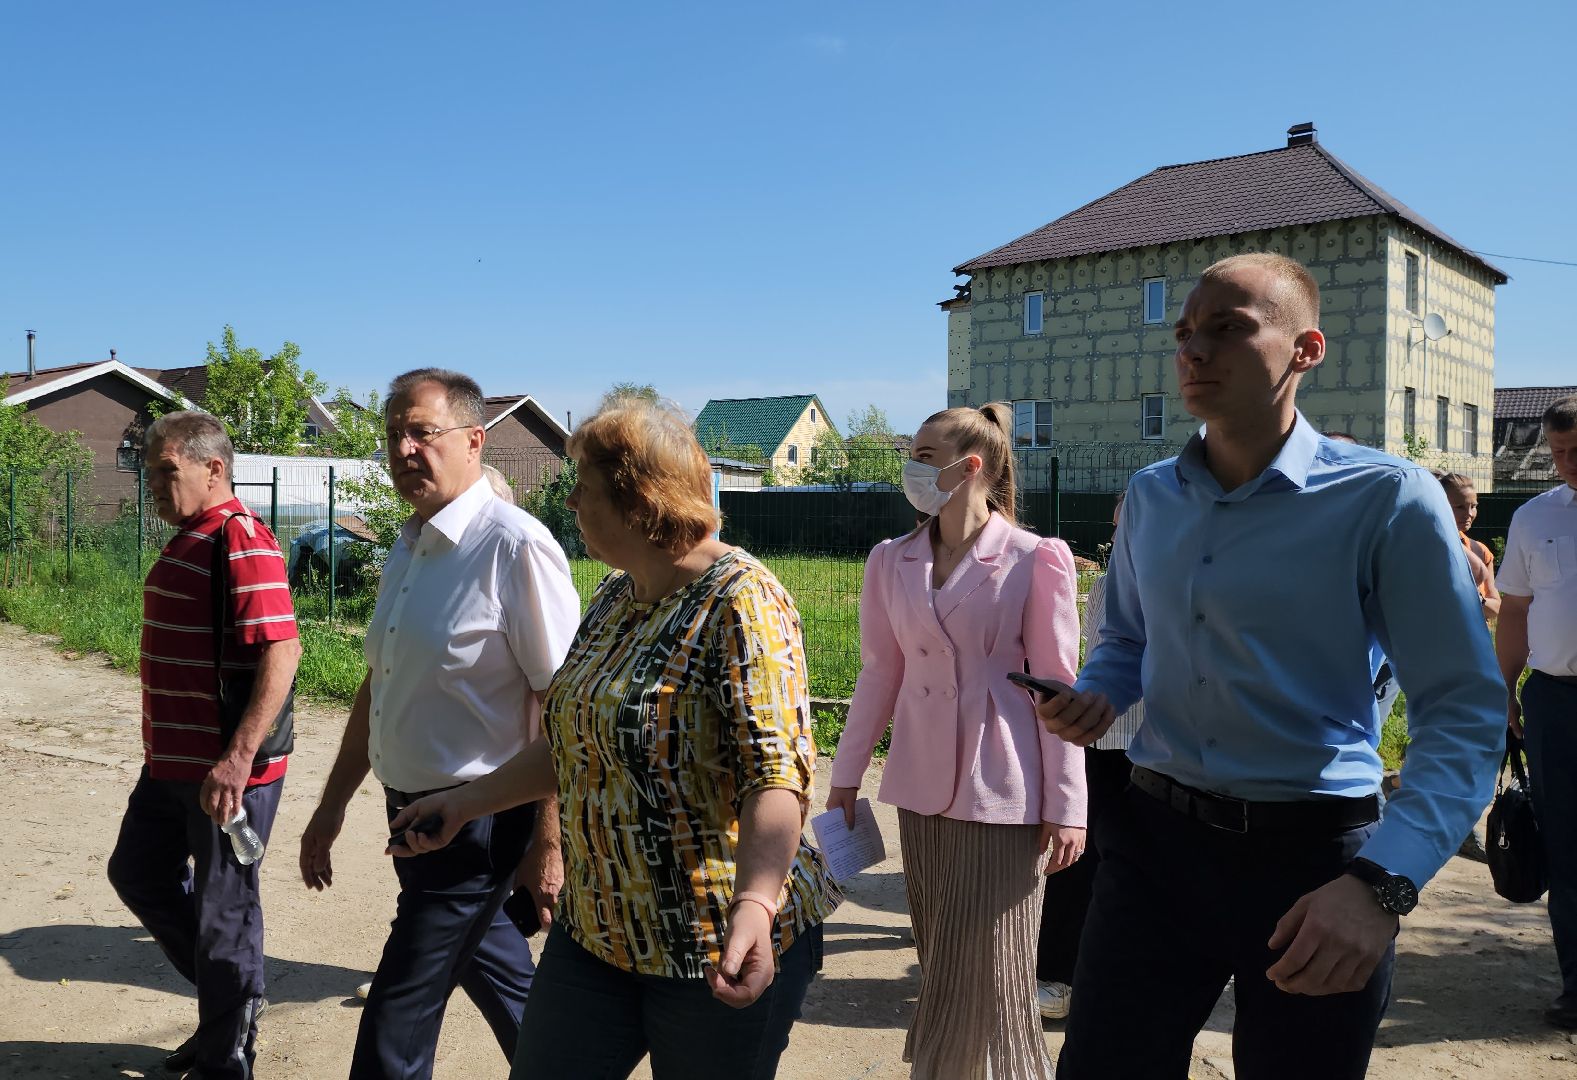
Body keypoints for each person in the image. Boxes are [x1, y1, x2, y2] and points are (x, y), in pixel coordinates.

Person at [1036, 253, 1506, 1080]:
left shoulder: (1384, 498)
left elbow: (1462, 711)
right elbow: (1126, 641)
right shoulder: (1150, 495)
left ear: (1305, 350)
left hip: (1314, 860)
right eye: (1185, 332)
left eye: (1228, 328)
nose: (1194, 350)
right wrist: (1097, 695)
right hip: (1153, 848)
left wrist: (1382, 885)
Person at [387, 396, 841, 1080]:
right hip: (596, 933)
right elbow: (575, 742)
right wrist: (463, 803)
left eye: (584, 486)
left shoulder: (741, 600)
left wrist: (755, 903)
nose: (570, 501)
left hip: (713, 943)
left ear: (640, 500)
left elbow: (774, 776)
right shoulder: (614, 596)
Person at [298, 368, 581, 1080]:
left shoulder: (514, 547)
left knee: (395, 1019)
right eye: (394, 433)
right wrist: (331, 806)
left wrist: (547, 842)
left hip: (478, 825)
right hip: (412, 814)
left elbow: (563, 708)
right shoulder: (410, 545)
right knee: (500, 973)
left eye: (422, 432)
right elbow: (381, 686)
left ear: (474, 440)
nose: (403, 449)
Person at [827, 403, 1088, 1080]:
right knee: (943, 961)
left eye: (923, 456)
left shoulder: (1035, 558)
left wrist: (1068, 805)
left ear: (969, 466)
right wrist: (846, 775)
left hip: (1003, 788)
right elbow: (879, 672)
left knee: (994, 971)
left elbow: (1056, 686)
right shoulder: (891, 560)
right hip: (918, 787)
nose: (909, 469)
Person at [107, 411, 301, 1080]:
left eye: (167, 471)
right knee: (138, 872)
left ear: (213, 469)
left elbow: (282, 649)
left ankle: (226, 1055)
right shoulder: (191, 536)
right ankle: (231, 1006)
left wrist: (238, 758)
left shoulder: (237, 536)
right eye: (149, 473)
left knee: (225, 916)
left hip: (223, 772)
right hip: (170, 763)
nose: (153, 486)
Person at [1034, 490, 1144, 1021]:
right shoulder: (1110, 582)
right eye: (1117, 526)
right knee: (1079, 862)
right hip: (1106, 742)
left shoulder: (1188, 580)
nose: (1119, 537)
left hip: (1162, 752)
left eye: (1130, 525)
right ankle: (1056, 976)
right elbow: (1104, 655)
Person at [1495, 394, 1577, 1031]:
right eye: (1558, 452)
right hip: (1556, 700)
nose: (1568, 462)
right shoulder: (1534, 516)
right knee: (1566, 842)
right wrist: (1506, 688)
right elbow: (1516, 612)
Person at [1435, 471, 1501, 622]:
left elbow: (1495, 608)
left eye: (1473, 506)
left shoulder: (1480, 550)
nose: (1469, 514)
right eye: (1460, 507)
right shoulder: (1427, 547)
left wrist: (1475, 598)